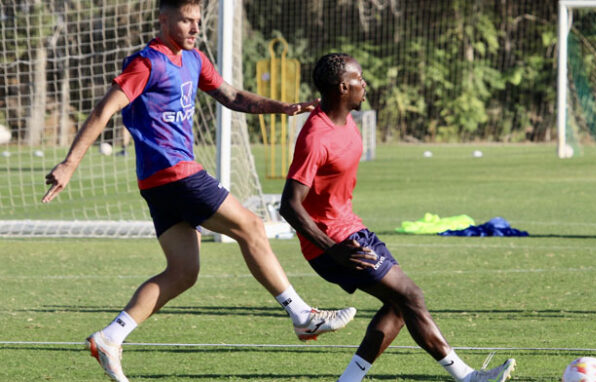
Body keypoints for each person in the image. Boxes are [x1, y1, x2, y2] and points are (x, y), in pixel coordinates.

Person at [42, 1, 355, 381]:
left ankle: (111, 337)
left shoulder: (194, 60)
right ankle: (302, 316)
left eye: (198, 21)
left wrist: (282, 108)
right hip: (176, 174)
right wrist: (69, 164)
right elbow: (102, 112)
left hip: (159, 186)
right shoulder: (147, 63)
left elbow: (233, 97)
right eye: (187, 20)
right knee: (252, 227)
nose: (194, 28)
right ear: (164, 19)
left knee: (183, 271)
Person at [279, 52, 516, 382]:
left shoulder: (342, 118)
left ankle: (348, 380)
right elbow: (289, 205)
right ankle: (469, 377)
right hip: (333, 243)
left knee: (399, 306)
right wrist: (332, 248)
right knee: (410, 297)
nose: (366, 84)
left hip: (352, 229)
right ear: (343, 87)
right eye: (359, 79)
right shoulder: (316, 137)